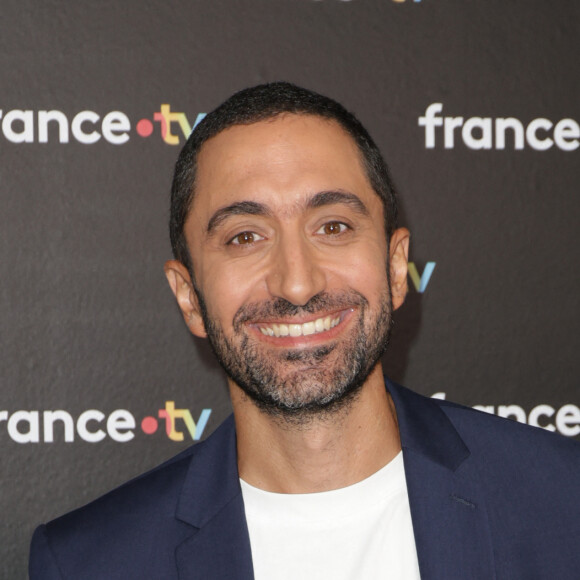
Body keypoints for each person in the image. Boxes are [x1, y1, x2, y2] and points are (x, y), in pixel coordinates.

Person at [30, 82, 580, 579]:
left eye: (333, 226)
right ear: (188, 296)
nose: (296, 283)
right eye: (245, 236)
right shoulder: (89, 562)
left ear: (395, 267)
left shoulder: (563, 501)